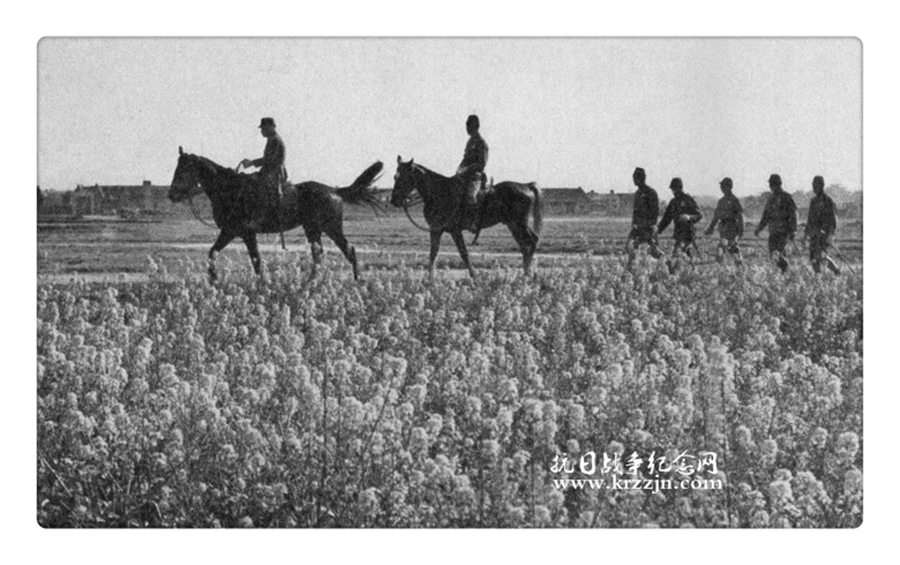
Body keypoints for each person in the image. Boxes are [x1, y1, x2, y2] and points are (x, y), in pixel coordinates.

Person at [240, 117, 288, 231]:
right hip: (270, 171)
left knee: (259, 187)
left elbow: (269, 160)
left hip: (274, 173)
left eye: (264, 128)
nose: (262, 131)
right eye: (262, 129)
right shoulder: (272, 139)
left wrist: (251, 163)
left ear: (272, 127)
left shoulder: (275, 140)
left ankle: (258, 219)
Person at [754, 173, 797, 273]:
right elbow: (765, 216)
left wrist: (793, 231)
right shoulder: (771, 199)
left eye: (771, 184)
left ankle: (787, 271)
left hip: (784, 232)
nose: (770, 186)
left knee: (778, 254)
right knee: (773, 255)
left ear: (776, 184)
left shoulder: (787, 197)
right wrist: (759, 228)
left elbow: (794, 215)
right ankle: (782, 274)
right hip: (773, 231)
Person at [657, 177, 703, 272]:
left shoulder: (688, 199)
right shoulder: (673, 202)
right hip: (678, 234)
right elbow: (666, 219)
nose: (673, 191)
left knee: (685, 257)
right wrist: (658, 230)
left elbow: (699, 215)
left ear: (680, 188)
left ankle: (692, 274)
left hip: (688, 234)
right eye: (672, 189)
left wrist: (689, 217)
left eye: (674, 189)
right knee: (678, 257)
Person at [455, 114, 489, 231]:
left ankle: (473, 223)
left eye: (469, 125)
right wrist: (459, 168)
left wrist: (467, 169)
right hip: (465, 176)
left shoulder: (482, 143)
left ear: (476, 127)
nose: (467, 128)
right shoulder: (470, 142)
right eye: (467, 125)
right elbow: (465, 159)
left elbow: (482, 164)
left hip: (475, 177)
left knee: (470, 196)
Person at [704, 177, 744, 266]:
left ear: (728, 187)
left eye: (723, 186)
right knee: (724, 248)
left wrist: (741, 231)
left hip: (732, 228)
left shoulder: (734, 200)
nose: (721, 188)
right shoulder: (721, 201)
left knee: (729, 247)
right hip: (723, 229)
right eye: (721, 186)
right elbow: (716, 216)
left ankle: (738, 267)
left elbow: (740, 216)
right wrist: (711, 228)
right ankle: (723, 267)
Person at [626, 167, 663, 263]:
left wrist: (650, 227)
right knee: (629, 248)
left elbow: (655, 213)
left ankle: (665, 264)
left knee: (653, 251)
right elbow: (635, 211)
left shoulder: (651, 193)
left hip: (648, 227)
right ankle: (632, 267)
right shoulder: (637, 193)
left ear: (640, 178)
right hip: (638, 227)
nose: (634, 181)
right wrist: (634, 224)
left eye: (635, 178)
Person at [805, 175, 840, 274]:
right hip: (814, 234)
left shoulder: (828, 201)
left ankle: (836, 271)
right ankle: (818, 276)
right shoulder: (813, 201)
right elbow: (810, 219)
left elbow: (833, 221)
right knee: (813, 257)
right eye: (813, 185)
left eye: (815, 185)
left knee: (821, 256)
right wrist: (806, 233)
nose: (814, 187)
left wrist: (830, 235)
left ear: (822, 186)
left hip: (824, 234)